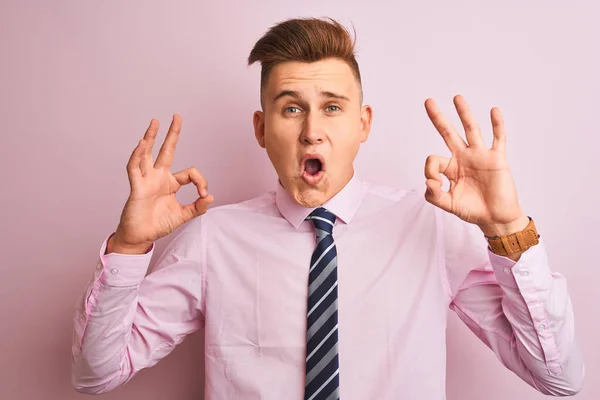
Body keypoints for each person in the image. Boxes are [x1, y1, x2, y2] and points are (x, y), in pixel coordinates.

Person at [71, 17, 584, 399]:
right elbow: (95, 373)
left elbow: (559, 378)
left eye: (332, 108)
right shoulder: (213, 239)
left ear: (363, 124)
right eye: (291, 107)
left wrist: (508, 230)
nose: (312, 130)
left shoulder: (429, 229)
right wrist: (130, 248)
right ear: (261, 128)